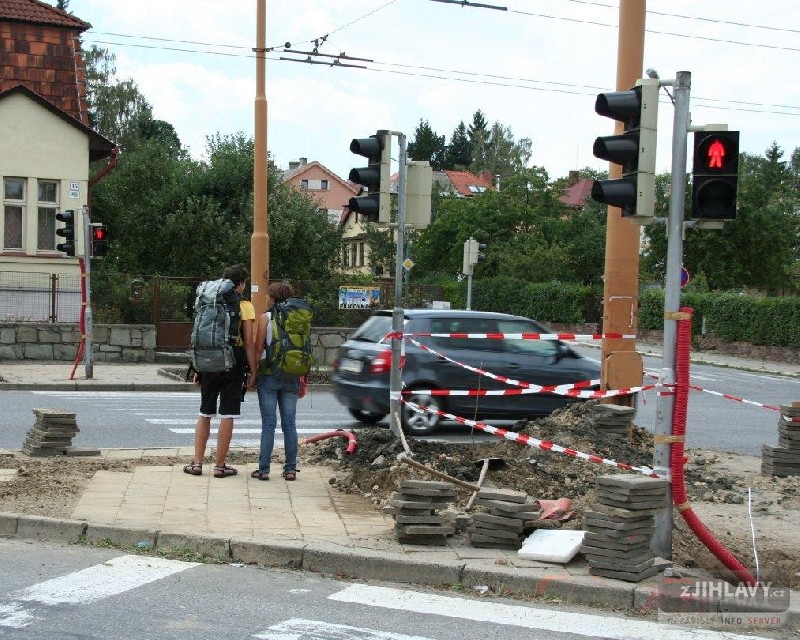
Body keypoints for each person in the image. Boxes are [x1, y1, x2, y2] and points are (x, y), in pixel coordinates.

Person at [184, 264, 256, 478]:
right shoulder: (244, 305)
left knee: (204, 411)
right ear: (241, 284)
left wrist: (199, 366)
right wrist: (253, 370)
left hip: (208, 361)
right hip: (233, 362)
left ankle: (197, 464)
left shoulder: (210, 302)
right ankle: (220, 466)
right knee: (228, 414)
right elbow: (250, 342)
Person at [251, 281, 301, 481]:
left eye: (269, 295)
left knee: (269, 424)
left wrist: (253, 374)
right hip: (292, 376)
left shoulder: (266, 318)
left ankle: (263, 470)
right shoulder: (298, 318)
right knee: (290, 424)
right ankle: (290, 469)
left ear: (273, 297)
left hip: (270, 376)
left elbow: (258, 348)